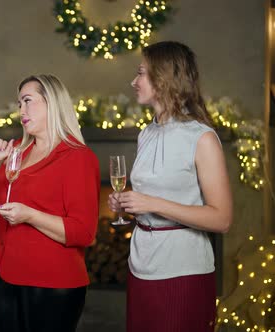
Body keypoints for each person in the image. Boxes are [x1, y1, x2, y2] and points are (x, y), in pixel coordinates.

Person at [108, 41, 233, 332]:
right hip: (140, 265)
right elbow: (151, 196)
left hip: (183, 270)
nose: (133, 81)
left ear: (163, 79)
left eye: (141, 73)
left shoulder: (202, 138)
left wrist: (151, 203)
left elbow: (222, 219)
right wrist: (127, 204)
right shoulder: (146, 133)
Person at [0, 74, 100, 332]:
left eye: (27, 101)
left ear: (51, 104)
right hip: (4, 278)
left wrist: (29, 215)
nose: (20, 110)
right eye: (19, 103)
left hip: (52, 284)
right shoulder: (14, 152)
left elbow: (84, 233)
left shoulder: (78, 157)